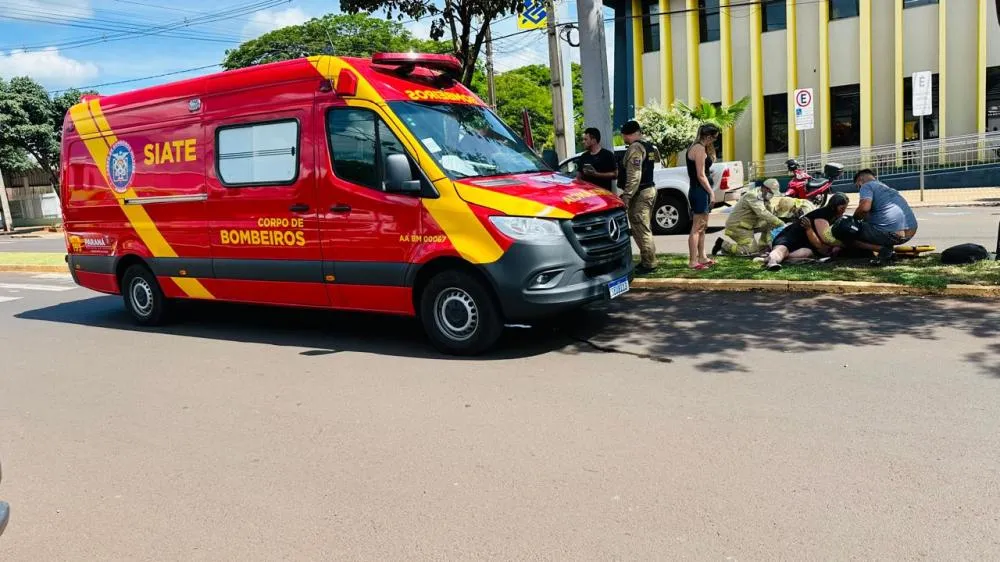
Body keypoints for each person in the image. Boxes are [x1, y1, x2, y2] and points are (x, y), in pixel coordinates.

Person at [840, 170, 918, 265]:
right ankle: (887, 251)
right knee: (870, 224)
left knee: (845, 228)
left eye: (857, 186)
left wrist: (853, 220)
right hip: (909, 233)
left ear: (861, 179)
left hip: (890, 233)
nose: (859, 189)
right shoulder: (887, 188)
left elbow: (864, 209)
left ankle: (883, 250)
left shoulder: (866, 186)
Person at [764, 193, 850, 271]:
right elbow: (826, 238)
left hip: (805, 242)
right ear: (834, 206)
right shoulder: (823, 214)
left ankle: (775, 257)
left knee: (805, 253)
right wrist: (843, 244)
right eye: (842, 208)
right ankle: (772, 261)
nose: (844, 211)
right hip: (791, 236)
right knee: (782, 250)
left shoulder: (834, 216)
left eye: (845, 208)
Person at [620, 120, 660, 274]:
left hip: (640, 193)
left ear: (627, 134)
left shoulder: (635, 148)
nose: (623, 138)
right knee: (644, 227)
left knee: (641, 229)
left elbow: (634, 175)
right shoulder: (649, 146)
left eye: (623, 135)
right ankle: (648, 259)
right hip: (649, 189)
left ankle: (649, 263)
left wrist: (627, 196)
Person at [711, 178, 785, 257]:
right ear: (764, 188)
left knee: (772, 224)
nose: (772, 195)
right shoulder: (753, 196)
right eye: (771, 192)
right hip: (738, 227)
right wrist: (781, 223)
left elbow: (770, 214)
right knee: (750, 251)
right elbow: (763, 213)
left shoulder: (764, 197)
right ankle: (723, 245)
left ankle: (764, 247)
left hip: (749, 225)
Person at [686, 123, 721, 270]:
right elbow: (700, 175)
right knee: (697, 227)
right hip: (699, 190)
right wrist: (711, 192)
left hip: (701, 190)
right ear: (708, 136)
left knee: (703, 226)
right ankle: (693, 261)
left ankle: (702, 257)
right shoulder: (699, 148)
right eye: (714, 138)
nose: (714, 141)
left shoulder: (700, 147)